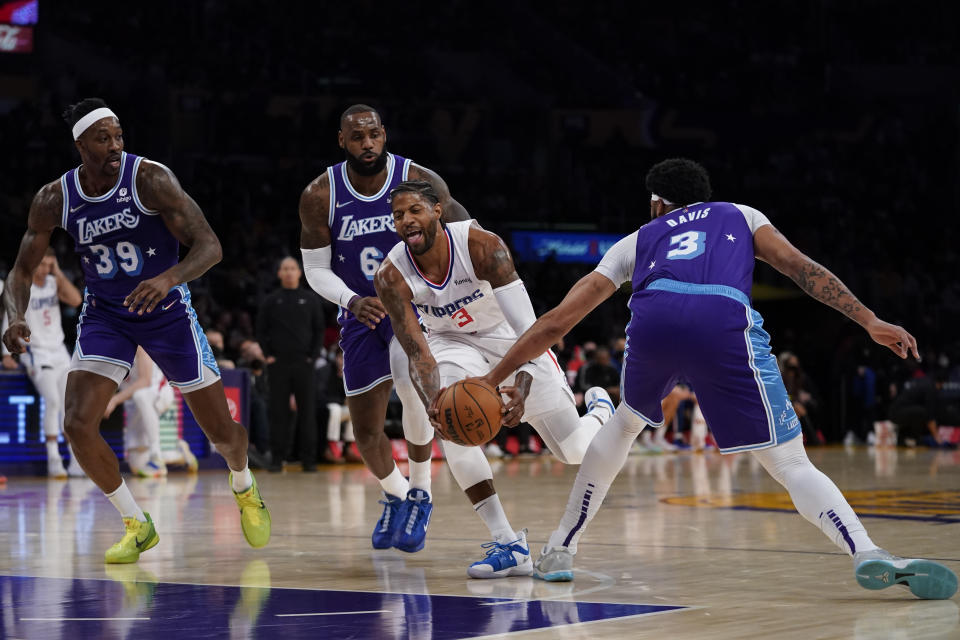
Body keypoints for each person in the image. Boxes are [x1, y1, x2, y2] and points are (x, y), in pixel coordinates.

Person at [472, 158, 957, 599]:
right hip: (721, 317)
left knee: (622, 425)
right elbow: (801, 269)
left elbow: (556, 322)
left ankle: (560, 550)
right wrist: (869, 319)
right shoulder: (741, 215)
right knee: (788, 463)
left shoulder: (637, 239)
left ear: (657, 203)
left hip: (654, 316)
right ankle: (866, 551)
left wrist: (494, 376)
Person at [1, 98, 270, 563]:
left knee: (222, 433)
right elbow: (20, 272)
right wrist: (16, 315)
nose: (115, 146)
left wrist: (168, 278)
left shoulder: (149, 178)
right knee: (77, 423)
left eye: (119, 135)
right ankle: (135, 523)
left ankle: (244, 483)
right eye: (103, 138)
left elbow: (210, 246)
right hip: (107, 315)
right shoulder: (55, 198)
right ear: (80, 145)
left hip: (167, 311)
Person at [375, 180, 614, 577]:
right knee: (452, 423)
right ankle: (508, 543)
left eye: (414, 210)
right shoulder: (390, 274)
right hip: (450, 342)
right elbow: (418, 351)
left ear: (438, 210)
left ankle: (599, 413)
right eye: (398, 215)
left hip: (513, 340)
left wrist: (519, 385)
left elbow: (530, 328)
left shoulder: (483, 246)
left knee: (572, 451)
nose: (406, 220)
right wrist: (435, 402)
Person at [298, 104, 471, 552]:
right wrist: (352, 301)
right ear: (342, 141)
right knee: (366, 432)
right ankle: (396, 496)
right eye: (357, 137)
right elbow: (315, 271)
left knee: (411, 380)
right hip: (359, 314)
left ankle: (421, 492)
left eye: (374, 134)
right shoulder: (321, 194)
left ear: (384, 134)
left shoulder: (419, 180)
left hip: (413, 309)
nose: (367, 144)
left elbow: (468, 237)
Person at [1, 249, 85, 477]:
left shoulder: (52, 282)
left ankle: (75, 460)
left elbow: (76, 299)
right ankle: (53, 459)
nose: (46, 268)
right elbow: (10, 316)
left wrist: (57, 272)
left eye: (50, 264)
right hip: (36, 352)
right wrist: (6, 353)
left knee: (69, 407)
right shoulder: (22, 285)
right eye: (43, 264)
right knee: (54, 402)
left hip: (59, 351)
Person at [256, 257, 325, 472]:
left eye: (292, 268)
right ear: (279, 273)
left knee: (307, 412)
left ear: (299, 272)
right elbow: (260, 330)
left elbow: (319, 330)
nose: (288, 272)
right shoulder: (271, 300)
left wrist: (312, 357)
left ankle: (309, 460)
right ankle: (277, 459)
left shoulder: (310, 299)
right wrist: (268, 355)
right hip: (278, 364)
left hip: (303, 363)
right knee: (278, 413)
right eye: (284, 268)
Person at [105, 346, 197, 477]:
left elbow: (145, 381)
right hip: (133, 401)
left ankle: (156, 457)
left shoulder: (137, 346)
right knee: (137, 467)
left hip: (157, 391)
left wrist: (114, 401)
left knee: (141, 396)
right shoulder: (108, 353)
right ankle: (179, 452)